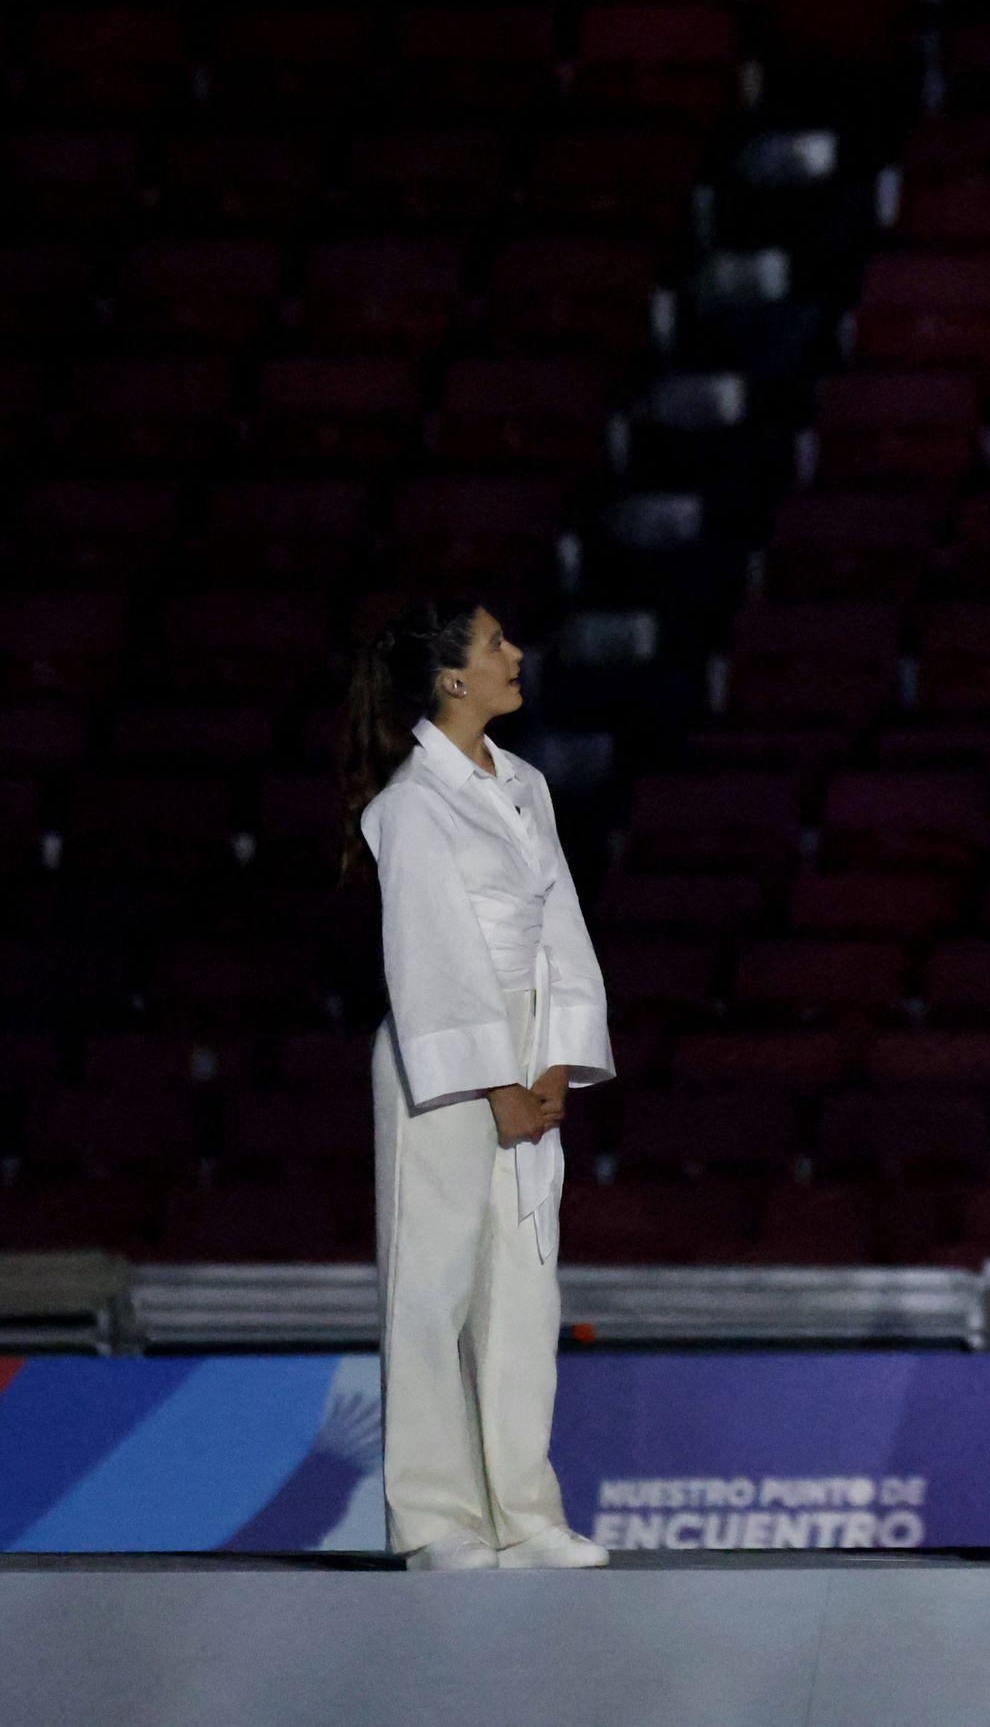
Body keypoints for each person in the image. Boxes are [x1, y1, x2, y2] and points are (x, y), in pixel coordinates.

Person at [346, 597, 613, 1571]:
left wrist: (553, 1058)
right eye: (495, 644)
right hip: (443, 1057)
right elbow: (430, 956)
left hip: (525, 1043)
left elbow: (562, 929)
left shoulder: (527, 785)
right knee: (433, 1286)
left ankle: (524, 1514)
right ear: (451, 677)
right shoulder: (410, 803)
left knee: (523, 1289)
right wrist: (493, 1080)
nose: (514, 655)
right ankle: (436, 1523)